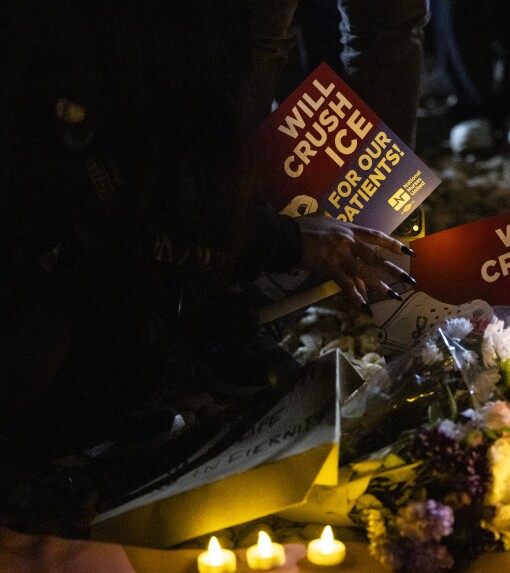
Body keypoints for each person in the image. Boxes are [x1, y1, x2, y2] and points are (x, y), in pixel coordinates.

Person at [0, 0, 427, 458]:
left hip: (84, 215)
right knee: (61, 357)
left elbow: (154, 188)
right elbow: (115, 204)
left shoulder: (156, 52)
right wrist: (283, 242)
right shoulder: (60, 50)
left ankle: (182, 327)